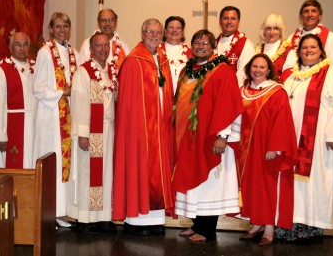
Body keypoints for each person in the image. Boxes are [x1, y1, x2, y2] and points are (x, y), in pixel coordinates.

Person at [276, 34, 333, 241]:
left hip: (318, 141)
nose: (308, 51)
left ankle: (313, 227)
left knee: (316, 182)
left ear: (321, 51)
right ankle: (289, 222)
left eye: (313, 47)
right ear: (298, 52)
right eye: (305, 48)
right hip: (290, 138)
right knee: (291, 182)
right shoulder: (290, 75)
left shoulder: (332, 76)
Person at [172, 29, 243, 241]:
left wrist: (223, 136)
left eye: (205, 43)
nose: (200, 46)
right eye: (197, 43)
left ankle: (207, 230)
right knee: (196, 185)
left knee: (209, 184)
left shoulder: (222, 71)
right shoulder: (188, 70)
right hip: (189, 138)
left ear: (213, 48)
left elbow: (229, 104)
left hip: (211, 137)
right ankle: (197, 224)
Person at [113, 18, 174, 236]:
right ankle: (137, 220)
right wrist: (135, 130)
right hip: (140, 130)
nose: (154, 35)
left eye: (158, 32)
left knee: (157, 171)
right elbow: (128, 104)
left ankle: (156, 218)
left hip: (160, 128)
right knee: (140, 169)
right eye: (150, 31)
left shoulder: (163, 60)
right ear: (142, 33)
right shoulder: (133, 61)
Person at [238, 54, 298, 245]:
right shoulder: (243, 90)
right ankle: (256, 224)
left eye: (262, 67)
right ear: (249, 69)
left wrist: (275, 146)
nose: (257, 70)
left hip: (265, 148)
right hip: (246, 150)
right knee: (252, 187)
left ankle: (269, 229)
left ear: (268, 70)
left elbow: (282, 120)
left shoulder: (276, 92)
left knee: (266, 188)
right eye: (254, 66)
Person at [33, 12, 83, 228]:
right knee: (54, 162)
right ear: (51, 29)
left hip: (69, 114)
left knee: (68, 163)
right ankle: (49, 212)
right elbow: (38, 87)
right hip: (51, 117)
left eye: (66, 26)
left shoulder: (74, 53)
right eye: (58, 26)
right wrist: (64, 92)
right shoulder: (45, 52)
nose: (62, 30)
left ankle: (63, 211)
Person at [67, 32, 118, 234]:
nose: (103, 49)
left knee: (106, 173)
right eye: (99, 46)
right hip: (90, 130)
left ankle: (104, 216)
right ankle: (87, 219)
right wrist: (82, 133)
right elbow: (78, 103)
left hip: (109, 129)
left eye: (106, 45)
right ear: (91, 49)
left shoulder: (112, 71)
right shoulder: (83, 72)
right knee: (89, 173)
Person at [0, 32, 36, 169]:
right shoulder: (3, 70)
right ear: (10, 47)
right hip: (11, 127)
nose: (22, 48)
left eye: (25, 45)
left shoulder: (35, 68)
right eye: (18, 45)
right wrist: (0, 135)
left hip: (33, 125)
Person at [283, 0, 333, 73]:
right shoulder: (292, 38)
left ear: (320, 16)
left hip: (320, 82)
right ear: (301, 16)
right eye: (306, 11)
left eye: (313, 11)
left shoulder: (331, 38)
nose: (310, 14)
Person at [215, 6, 255, 86]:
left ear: (238, 22)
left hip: (232, 91)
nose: (229, 22)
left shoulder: (246, 45)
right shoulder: (213, 43)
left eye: (233, 18)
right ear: (220, 21)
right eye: (225, 18)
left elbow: (244, 75)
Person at [158, 16, 193, 90]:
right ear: (165, 31)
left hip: (183, 97)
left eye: (178, 28)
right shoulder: (156, 52)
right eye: (171, 27)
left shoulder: (191, 54)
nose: (174, 30)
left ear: (182, 32)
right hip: (162, 95)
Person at [255, 14, 294, 79]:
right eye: (269, 28)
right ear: (264, 31)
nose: (272, 32)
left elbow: (290, 77)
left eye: (276, 28)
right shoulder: (256, 50)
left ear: (281, 32)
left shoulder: (289, 51)